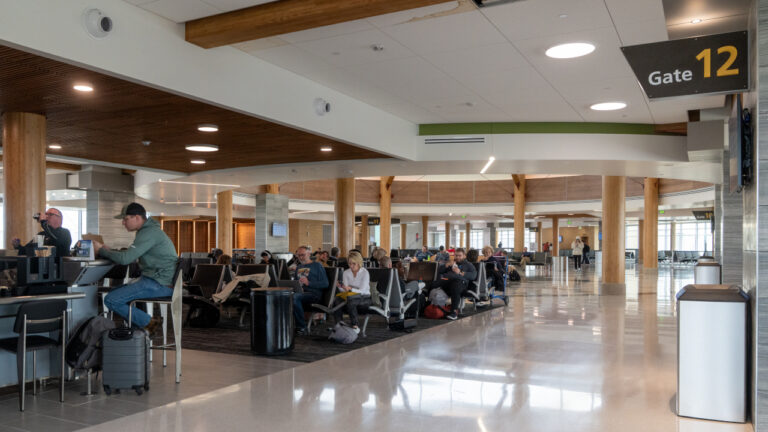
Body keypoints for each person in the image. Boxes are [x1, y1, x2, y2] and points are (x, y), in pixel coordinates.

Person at [94, 203, 177, 334]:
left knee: (111, 299)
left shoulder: (149, 233)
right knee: (116, 293)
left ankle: (149, 324)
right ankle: (138, 331)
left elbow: (125, 259)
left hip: (159, 283)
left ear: (137, 218)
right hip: (157, 280)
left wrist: (101, 251)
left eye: (126, 219)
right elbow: (129, 255)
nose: (123, 223)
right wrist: (110, 251)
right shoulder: (148, 231)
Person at [428, 248, 476, 320]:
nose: (457, 257)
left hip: (460, 283)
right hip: (447, 281)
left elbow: (473, 275)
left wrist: (460, 272)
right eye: (456, 255)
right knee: (432, 283)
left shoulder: (468, 265)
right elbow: (440, 271)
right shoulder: (451, 263)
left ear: (464, 256)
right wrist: (446, 265)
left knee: (455, 285)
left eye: (460, 256)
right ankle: (427, 306)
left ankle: (454, 312)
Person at [293, 246, 329, 335]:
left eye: (303, 255)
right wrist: (297, 287)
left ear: (309, 254)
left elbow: (325, 283)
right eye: (298, 255)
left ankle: (301, 327)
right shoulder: (299, 267)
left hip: (314, 295)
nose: (300, 257)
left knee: (295, 297)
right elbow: (296, 283)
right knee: (285, 296)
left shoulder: (317, 266)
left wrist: (309, 283)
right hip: (302, 294)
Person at [333, 253, 370, 333]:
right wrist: (340, 287)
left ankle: (355, 325)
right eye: (349, 263)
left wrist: (351, 289)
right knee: (337, 299)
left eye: (354, 263)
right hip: (351, 296)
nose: (351, 266)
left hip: (364, 297)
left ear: (359, 262)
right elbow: (345, 291)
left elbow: (363, 291)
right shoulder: (346, 273)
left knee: (351, 300)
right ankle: (339, 324)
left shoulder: (365, 273)